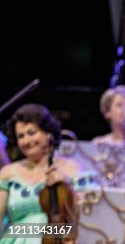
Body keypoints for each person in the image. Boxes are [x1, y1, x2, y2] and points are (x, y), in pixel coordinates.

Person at [0, 104, 98, 243]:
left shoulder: (72, 169)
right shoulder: (8, 173)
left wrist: (67, 186)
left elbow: (86, 219)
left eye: (32, 133)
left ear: (48, 134)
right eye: (21, 136)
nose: (26, 141)